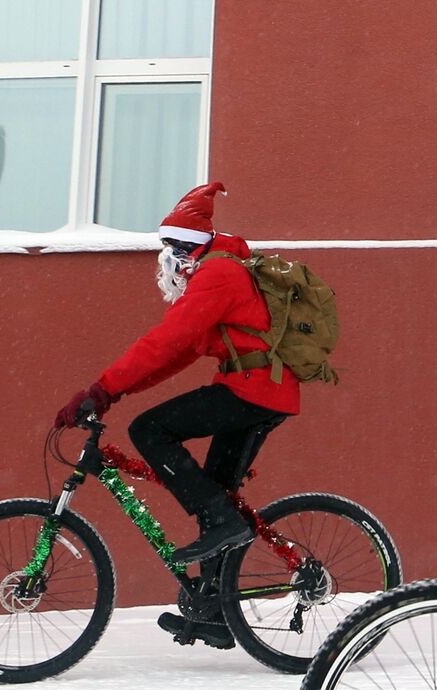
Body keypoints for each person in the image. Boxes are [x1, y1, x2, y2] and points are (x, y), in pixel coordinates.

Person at [54, 181, 299, 584]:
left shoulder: (219, 273)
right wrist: (113, 393)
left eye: (179, 249)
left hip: (253, 390)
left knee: (150, 429)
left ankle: (221, 520)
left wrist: (102, 389)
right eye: (170, 249)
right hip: (259, 390)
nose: (174, 259)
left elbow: (165, 341)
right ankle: (216, 610)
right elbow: (178, 354)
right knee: (217, 497)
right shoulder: (216, 271)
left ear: (197, 245)